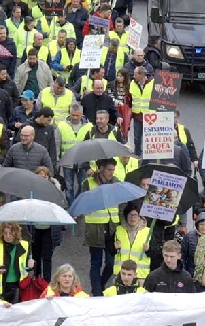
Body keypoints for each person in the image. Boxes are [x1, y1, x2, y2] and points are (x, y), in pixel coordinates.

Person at [82, 158, 120, 296]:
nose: (112, 173)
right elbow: (83, 203)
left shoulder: (116, 182)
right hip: (95, 228)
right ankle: (97, 293)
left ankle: (101, 284)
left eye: (113, 170)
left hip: (112, 227)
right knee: (96, 263)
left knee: (111, 263)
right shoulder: (88, 183)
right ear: (101, 168)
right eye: (109, 169)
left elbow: (121, 205)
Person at [0, 222, 35, 303]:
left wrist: (31, 265)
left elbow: (26, 267)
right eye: (5, 233)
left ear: (16, 233)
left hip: (18, 285)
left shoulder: (25, 245)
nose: (8, 236)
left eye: (11, 234)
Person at [31, 166, 64, 281]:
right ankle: (36, 279)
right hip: (35, 228)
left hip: (49, 229)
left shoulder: (54, 191)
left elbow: (60, 206)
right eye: (39, 176)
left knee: (47, 257)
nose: (42, 179)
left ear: (48, 177)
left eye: (44, 176)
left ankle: (46, 282)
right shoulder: (32, 191)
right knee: (36, 256)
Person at [56, 103, 93, 205]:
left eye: (77, 115)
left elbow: (92, 146)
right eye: (73, 115)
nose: (75, 117)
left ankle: (77, 203)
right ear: (69, 114)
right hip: (68, 161)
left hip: (83, 161)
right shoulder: (62, 126)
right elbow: (57, 144)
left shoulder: (89, 127)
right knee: (69, 186)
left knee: (83, 185)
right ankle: (72, 206)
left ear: (82, 114)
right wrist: (58, 161)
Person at [112, 204, 152, 281]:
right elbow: (110, 250)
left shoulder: (148, 232)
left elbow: (156, 253)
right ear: (126, 216)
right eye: (130, 215)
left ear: (140, 217)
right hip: (121, 275)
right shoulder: (118, 230)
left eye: (135, 215)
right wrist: (114, 247)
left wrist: (148, 250)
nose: (132, 218)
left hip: (140, 275)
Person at [128, 66, 153, 157]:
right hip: (137, 115)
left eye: (136, 74)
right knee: (137, 138)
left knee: (149, 139)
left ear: (142, 75)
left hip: (150, 116)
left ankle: (148, 157)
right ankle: (137, 155)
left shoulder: (153, 83)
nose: (134, 76)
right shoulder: (132, 84)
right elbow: (129, 98)